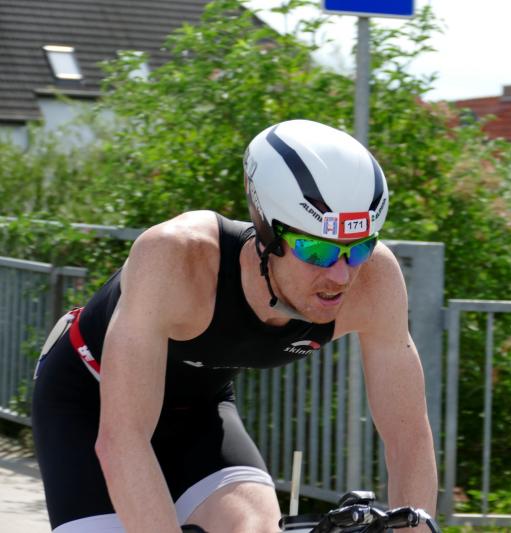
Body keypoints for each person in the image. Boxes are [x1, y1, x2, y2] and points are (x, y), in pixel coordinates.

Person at [32, 119, 438, 532]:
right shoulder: (176, 258)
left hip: (200, 413)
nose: (341, 275)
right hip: (89, 400)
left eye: (360, 248)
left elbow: (409, 439)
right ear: (267, 233)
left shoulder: (374, 282)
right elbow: (123, 440)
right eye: (317, 250)